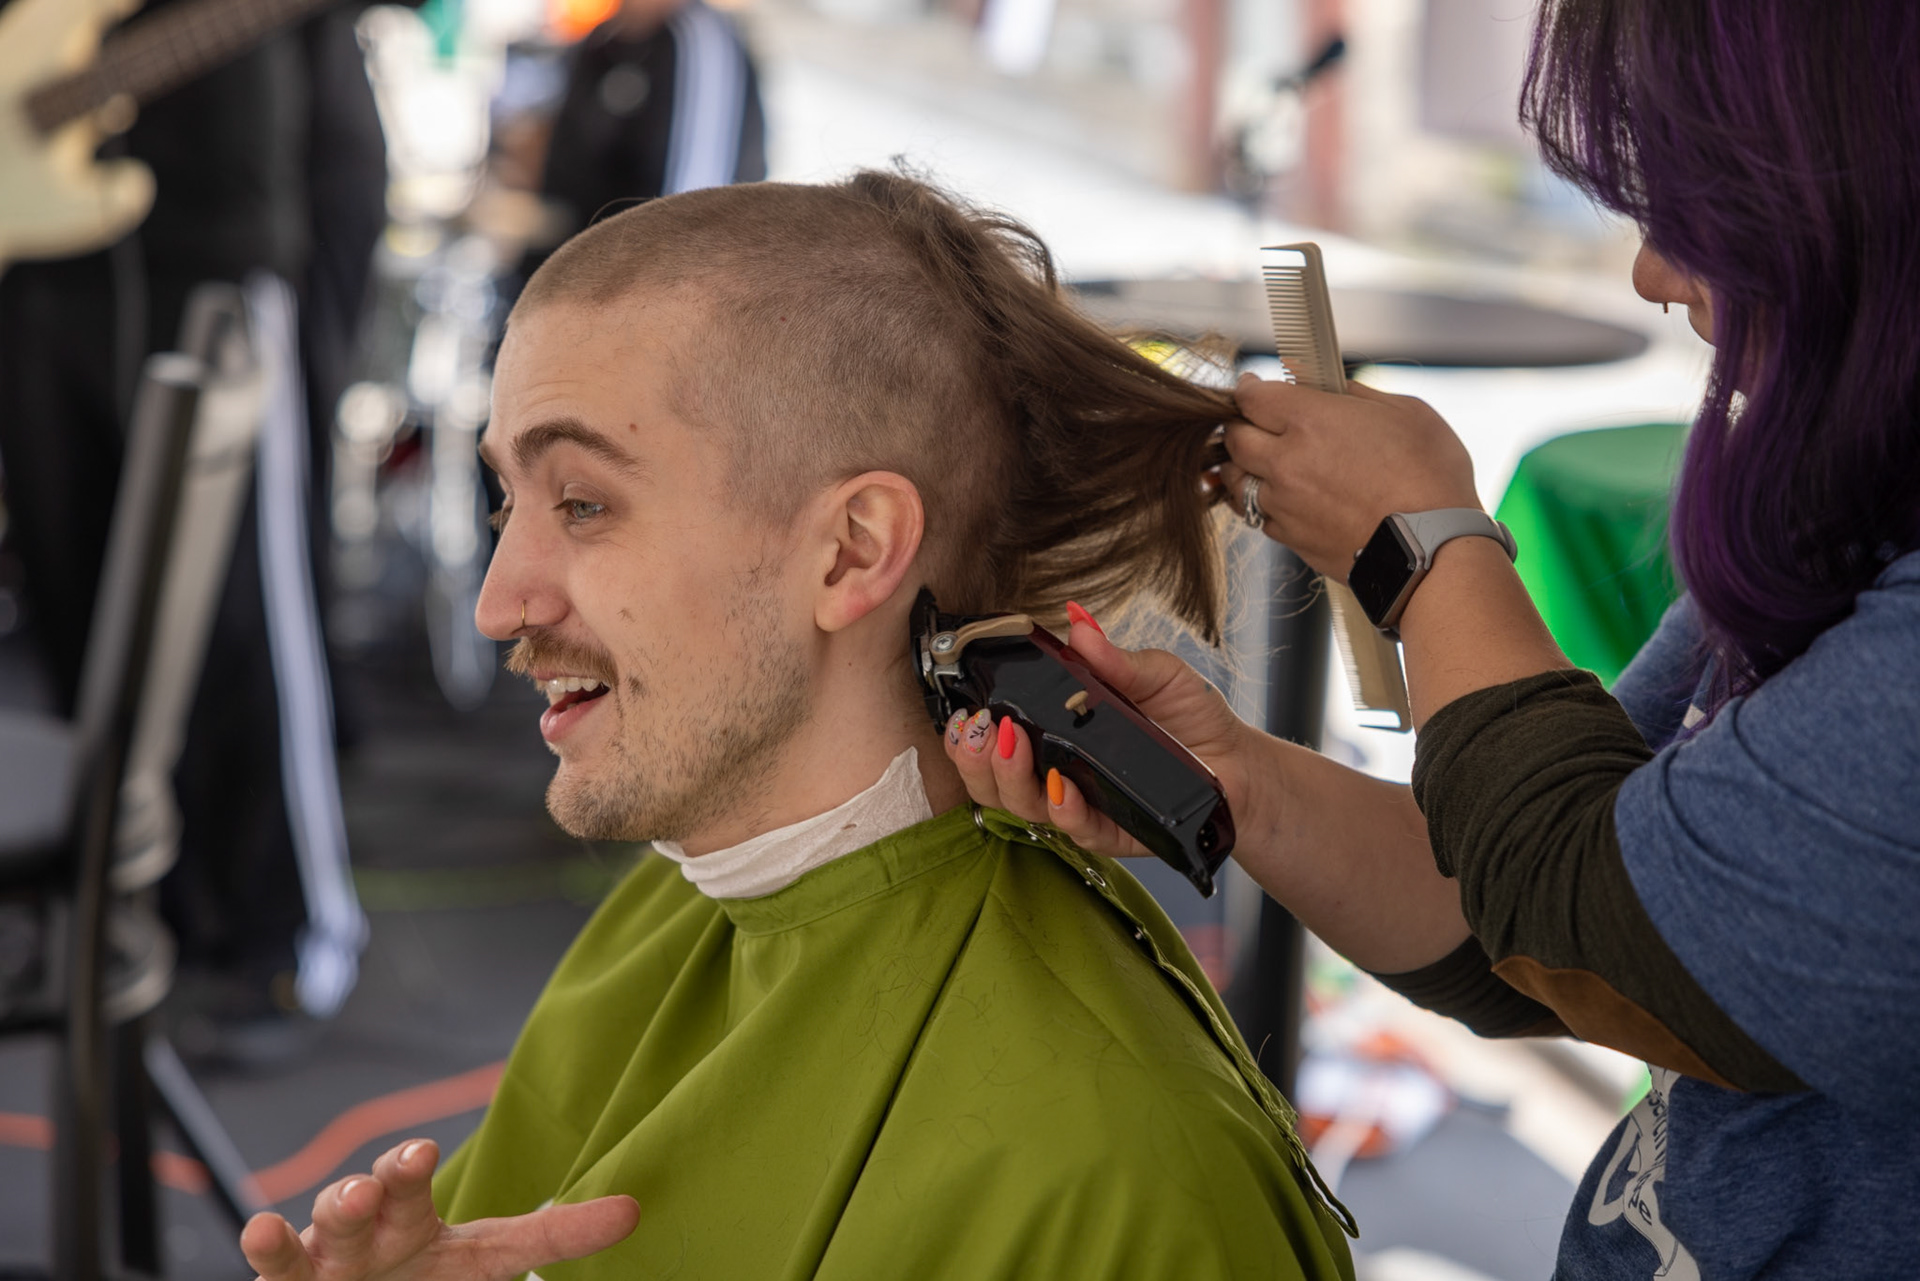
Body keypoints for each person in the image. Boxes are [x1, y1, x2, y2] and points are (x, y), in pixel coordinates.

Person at [237, 173, 1356, 1281]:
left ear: (852, 550)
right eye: (506, 502)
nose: (499, 603)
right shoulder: (673, 909)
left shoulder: (1122, 1185)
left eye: (582, 503)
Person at [952, 0, 1920, 1277]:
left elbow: (1573, 904)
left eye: (1705, 203)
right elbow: (1534, 930)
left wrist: (1425, 546)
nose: (1653, 272)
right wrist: (1243, 785)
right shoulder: (1852, 505)